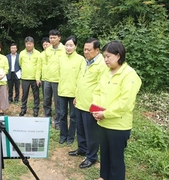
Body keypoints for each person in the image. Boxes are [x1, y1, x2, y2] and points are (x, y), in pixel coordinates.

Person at [92, 41, 142, 180]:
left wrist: (105, 113)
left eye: (108, 56)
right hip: (103, 123)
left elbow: (124, 102)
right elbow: (97, 91)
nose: (105, 60)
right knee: (105, 156)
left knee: (116, 160)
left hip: (118, 126)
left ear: (118, 55)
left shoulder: (129, 75)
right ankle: (103, 177)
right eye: (104, 56)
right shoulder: (106, 72)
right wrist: (95, 108)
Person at [68, 38, 107, 169]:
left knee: (92, 133)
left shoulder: (102, 65)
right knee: (80, 129)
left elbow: (102, 87)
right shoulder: (85, 62)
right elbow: (80, 80)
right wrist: (76, 96)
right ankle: (82, 149)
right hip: (80, 102)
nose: (86, 52)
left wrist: (97, 106)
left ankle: (91, 157)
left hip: (91, 105)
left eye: (88, 50)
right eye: (84, 49)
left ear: (97, 50)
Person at [58, 35, 84, 145]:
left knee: (73, 116)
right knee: (62, 115)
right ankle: (63, 135)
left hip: (74, 93)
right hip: (62, 91)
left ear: (75, 46)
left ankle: (71, 136)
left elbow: (81, 77)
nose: (68, 48)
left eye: (71, 45)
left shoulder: (80, 59)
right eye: (67, 45)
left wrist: (78, 94)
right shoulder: (61, 58)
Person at [43, 29, 65, 129]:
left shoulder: (64, 49)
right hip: (47, 79)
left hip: (58, 80)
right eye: (50, 38)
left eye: (54, 38)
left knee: (58, 103)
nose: (52, 40)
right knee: (46, 101)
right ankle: (47, 120)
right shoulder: (48, 50)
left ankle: (58, 123)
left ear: (59, 38)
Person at [19, 36, 41, 117]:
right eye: (27, 43)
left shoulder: (38, 53)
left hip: (35, 79)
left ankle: (36, 110)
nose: (28, 45)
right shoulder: (21, 53)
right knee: (24, 95)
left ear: (33, 44)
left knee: (36, 95)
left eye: (30, 43)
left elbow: (39, 67)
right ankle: (23, 109)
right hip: (25, 78)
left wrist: (38, 78)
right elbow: (20, 63)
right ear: (25, 44)